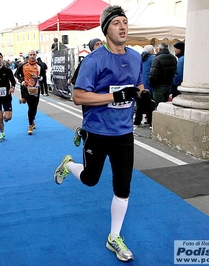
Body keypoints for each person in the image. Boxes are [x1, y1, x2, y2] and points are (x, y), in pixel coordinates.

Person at [54, 5, 143, 262]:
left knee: (123, 186)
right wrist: (114, 96)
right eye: (116, 23)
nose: (123, 27)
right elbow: (78, 96)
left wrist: (143, 95)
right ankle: (69, 164)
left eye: (125, 22)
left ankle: (113, 236)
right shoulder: (94, 60)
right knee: (91, 179)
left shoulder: (136, 57)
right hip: (97, 131)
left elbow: (138, 85)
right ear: (106, 29)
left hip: (124, 132)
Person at [71, 38, 103, 147]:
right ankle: (83, 134)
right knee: (92, 122)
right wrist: (86, 87)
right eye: (96, 44)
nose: (99, 46)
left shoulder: (108, 60)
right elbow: (74, 80)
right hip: (90, 98)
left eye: (101, 44)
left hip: (104, 98)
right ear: (91, 47)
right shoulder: (87, 61)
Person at [14, 49, 46, 135]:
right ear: (28, 56)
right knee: (30, 105)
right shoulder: (23, 65)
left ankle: (32, 119)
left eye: (33, 54)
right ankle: (30, 125)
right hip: (26, 88)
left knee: (34, 107)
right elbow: (16, 74)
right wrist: (22, 81)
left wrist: (38, 77)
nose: (32, 56)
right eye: (30, 55)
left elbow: (43, 78)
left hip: (36, 88)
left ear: (36, 55)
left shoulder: (40, 66)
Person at [133, 45, 156, 128]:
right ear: (151, 51)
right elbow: (153, 72)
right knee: (149, 105)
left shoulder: (138, 58)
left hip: (139, 84)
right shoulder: (153, 59)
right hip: (147, 85)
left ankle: (137, 121)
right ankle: (150, 121)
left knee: (139, 104)